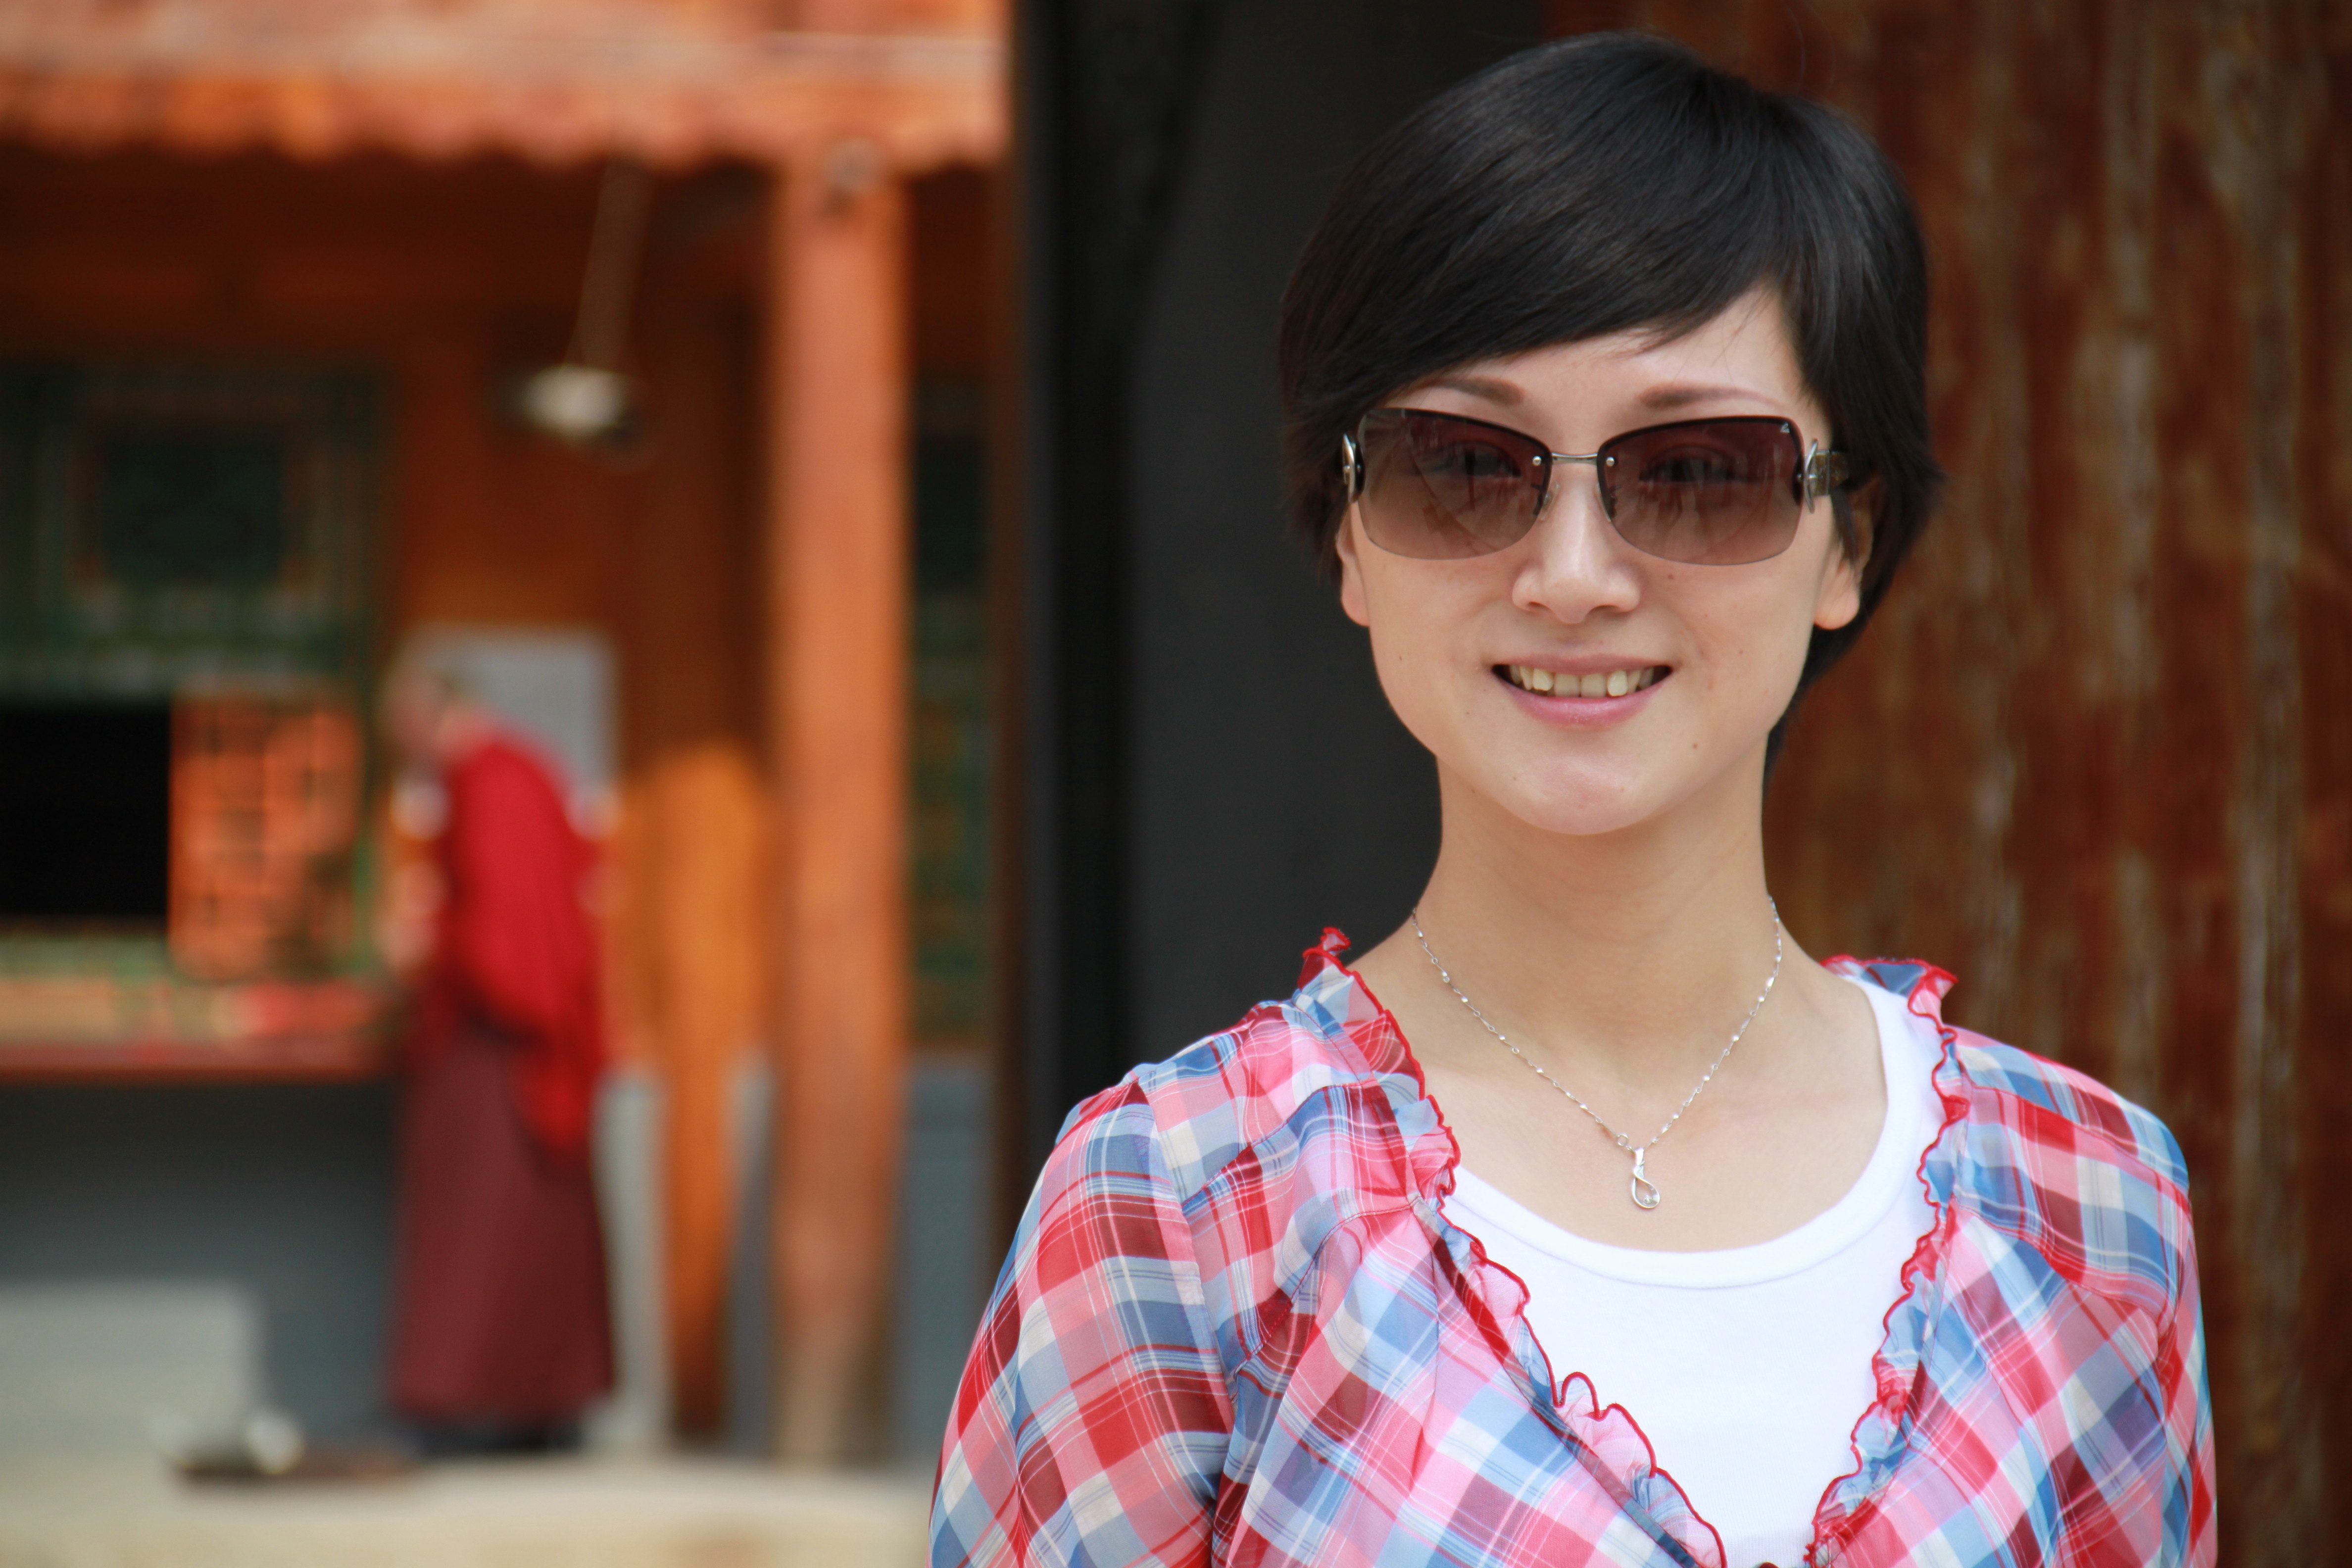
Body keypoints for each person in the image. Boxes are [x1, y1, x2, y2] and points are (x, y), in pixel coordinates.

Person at [932, 34, 2213, 1568]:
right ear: (1347, 535)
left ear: (1850, 540)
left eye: (1699, 471)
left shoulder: (2087, 1209)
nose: (1575, 575)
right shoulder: (1179, 1210)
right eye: (1465, 465)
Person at [381, 653, 613, 1451]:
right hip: (524, 1035)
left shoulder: (491, 785)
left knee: (479, 1229)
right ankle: (539, 1406)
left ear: (428, 716)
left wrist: (428, 942)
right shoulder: (524, 774)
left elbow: (500, 939)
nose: (409, 754)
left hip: (502, 1041)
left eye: (405, 733)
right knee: (524, 1231)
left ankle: (465, 1403)